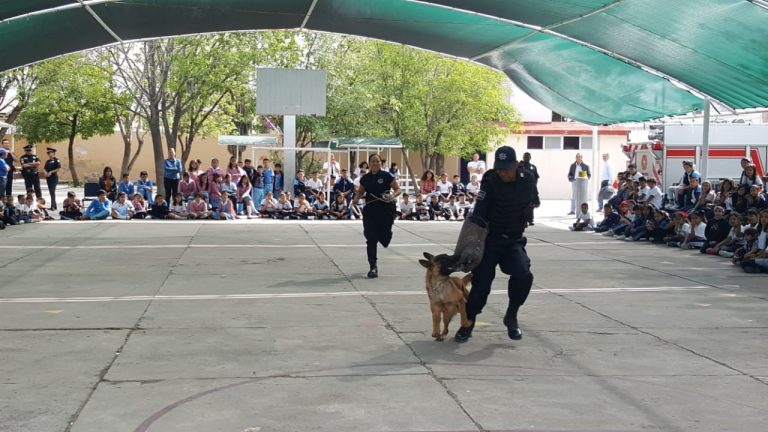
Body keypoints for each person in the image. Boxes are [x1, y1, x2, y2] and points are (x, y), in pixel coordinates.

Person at [451, 146, 539, 343]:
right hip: (491, 240)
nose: (502, 172)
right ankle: (469, 322)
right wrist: (469, 243)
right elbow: (480, 210)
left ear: (516, 165)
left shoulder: (528, 178)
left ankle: (511, 315)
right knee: (481, 284)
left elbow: (535, 201)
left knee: (523, 274)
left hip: (514, 239)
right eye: (499, 168)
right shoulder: (490, 180)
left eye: (507, 168)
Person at [353, 154, 400, 278]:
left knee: (384, 239)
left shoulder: (387, 176)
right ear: (369, 163)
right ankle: (373, 267)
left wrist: (392, 196)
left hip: (385, 210)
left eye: (377, 161)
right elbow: (360, 192)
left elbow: (397, 190)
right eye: (373, 161)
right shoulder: (366, 178)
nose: (375, 163)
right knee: (371, 238)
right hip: (370, 211)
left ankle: (387, 234)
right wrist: (356, 199)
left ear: (380, 163)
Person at [520, 152, 539, 225]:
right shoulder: (520, 166)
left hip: (531, 189)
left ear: (530, 158)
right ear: (523, 157)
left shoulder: (533, 167)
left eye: (528, 157)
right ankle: (524, 220)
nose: (526, 158)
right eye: (525, 157)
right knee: (523, 205)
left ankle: (530, 220)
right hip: (522, 189)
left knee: (531, 205)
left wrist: (534, 186)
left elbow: (536, 177)